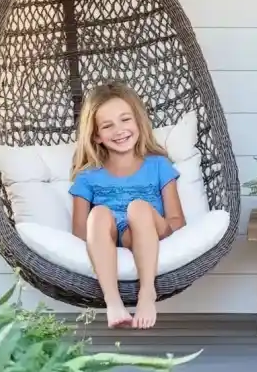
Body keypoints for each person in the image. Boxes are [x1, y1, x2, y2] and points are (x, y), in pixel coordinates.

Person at [69, 81, 186, 329]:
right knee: (99, 212)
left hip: (151, 227)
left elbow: (177, 221)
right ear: (96, 136)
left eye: (125, 120)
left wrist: (155, 229)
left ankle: (147, 294)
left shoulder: (158, 166)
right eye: (107, 125)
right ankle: (113, 302)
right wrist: (102, 237)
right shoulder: (87, 177)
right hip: (114, 235)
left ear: (138, 122)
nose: (119, 130)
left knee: (138, 208)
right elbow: (79, 232)